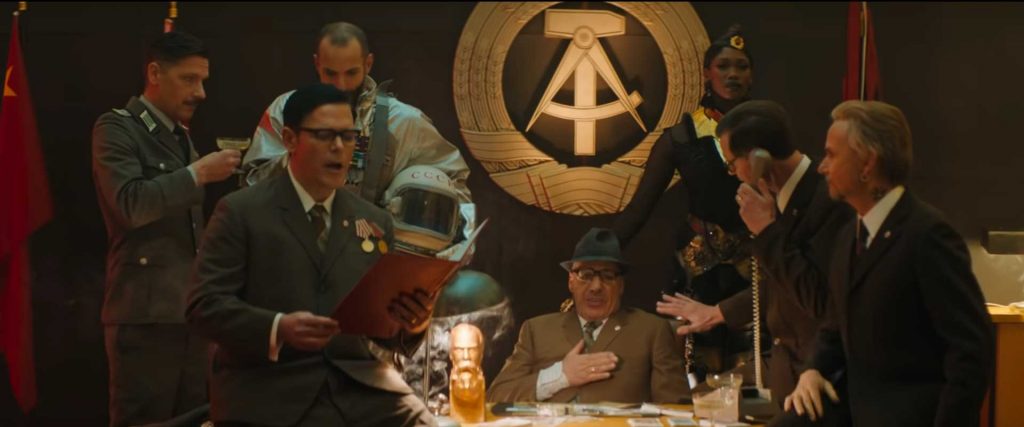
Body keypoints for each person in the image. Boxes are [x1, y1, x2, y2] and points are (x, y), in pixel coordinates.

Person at [186, 84, 436, 426]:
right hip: (269, 385)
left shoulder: (374, 221)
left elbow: (385, 332)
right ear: (290, 139)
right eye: (324, 135)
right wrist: (278, 327)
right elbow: (203, 307)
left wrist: (414, 322)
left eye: (348, 137)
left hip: (358, 384)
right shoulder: (241, 212)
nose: (339, 148)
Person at [783, 101, 994, 426]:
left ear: (867, 164)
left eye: (832, 155)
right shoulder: (848, 236)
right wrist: (813, 370)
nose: (822, 167)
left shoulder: (927, 235)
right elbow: (835, 325)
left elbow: (970, 350)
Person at [91, 31, 240, 427]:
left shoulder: (177, 136)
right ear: (155, 73)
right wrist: (197, 173)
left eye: (203, 80)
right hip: (145, 317)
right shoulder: (117, 128)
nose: (200, 93)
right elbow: (130, 204)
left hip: (190, 314)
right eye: (189, 79)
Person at [679, 101, 851, 415]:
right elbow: (778, 284)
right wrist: (720, 312)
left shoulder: (830, 201)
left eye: (732, 163)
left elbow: (820, 299)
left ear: (758, 158)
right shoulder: (776, 200)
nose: (732, 173)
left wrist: (767, 231)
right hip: (787, 377)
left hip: (820, 379)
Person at [613, 25, 755, 382]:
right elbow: (640, 208)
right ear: (707, 73)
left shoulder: (767, 133)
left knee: (754, 372)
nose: (732, 74)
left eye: (741, 66)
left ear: (751, 75)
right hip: (697, 269)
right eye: (723, 66)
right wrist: (597, 254)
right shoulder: (681, 136)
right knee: (694, 372)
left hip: (755, 269)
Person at [242, 22, 470, 211]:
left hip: (372, 243)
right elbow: (250, 185)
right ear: (317, 64)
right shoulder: (285, 109)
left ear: (368, 64)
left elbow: (455, 187)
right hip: (293, 238)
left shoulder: (404, 122)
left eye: (351, 73)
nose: (341, 85)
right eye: (331, 73)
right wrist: (299, 157)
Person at [487, 228, 689, 403]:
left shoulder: (651, 331)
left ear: (620, 285)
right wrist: (559, 376)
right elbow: (496, 396)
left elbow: (676, 408)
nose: (596, 287)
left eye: (608, 276)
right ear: (571, 281)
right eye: (585, 275)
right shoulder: (536, 330)